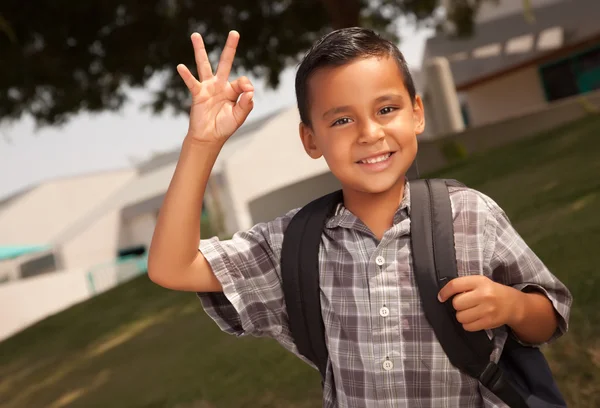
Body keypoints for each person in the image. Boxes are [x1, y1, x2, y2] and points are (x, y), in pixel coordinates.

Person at [148, 27, 572, 407]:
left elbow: (550, 317)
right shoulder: (292, 245)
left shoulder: (471, 214)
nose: (370, 133)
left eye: (386, 109)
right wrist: (202, 143)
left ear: (417, 113)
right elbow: (173, 267)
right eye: (343, 119)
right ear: (311, 139)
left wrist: (513, 305)